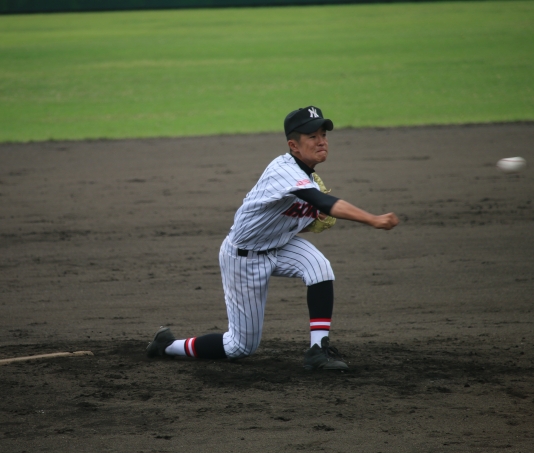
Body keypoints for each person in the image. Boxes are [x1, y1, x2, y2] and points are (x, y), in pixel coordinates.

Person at [147, 106, 399, 370]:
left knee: (320, 268)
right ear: (294, 145)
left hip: (278, 245)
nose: (322, 141)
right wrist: (373, 219)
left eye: (323, 135)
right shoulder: (284, 170)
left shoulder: (309, 179)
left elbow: (290, 218)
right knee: (240, 347)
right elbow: (323, 202)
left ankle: (318, 350)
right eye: (312, 136)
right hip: (245, 257)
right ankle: (168, 345)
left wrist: (311, 219)